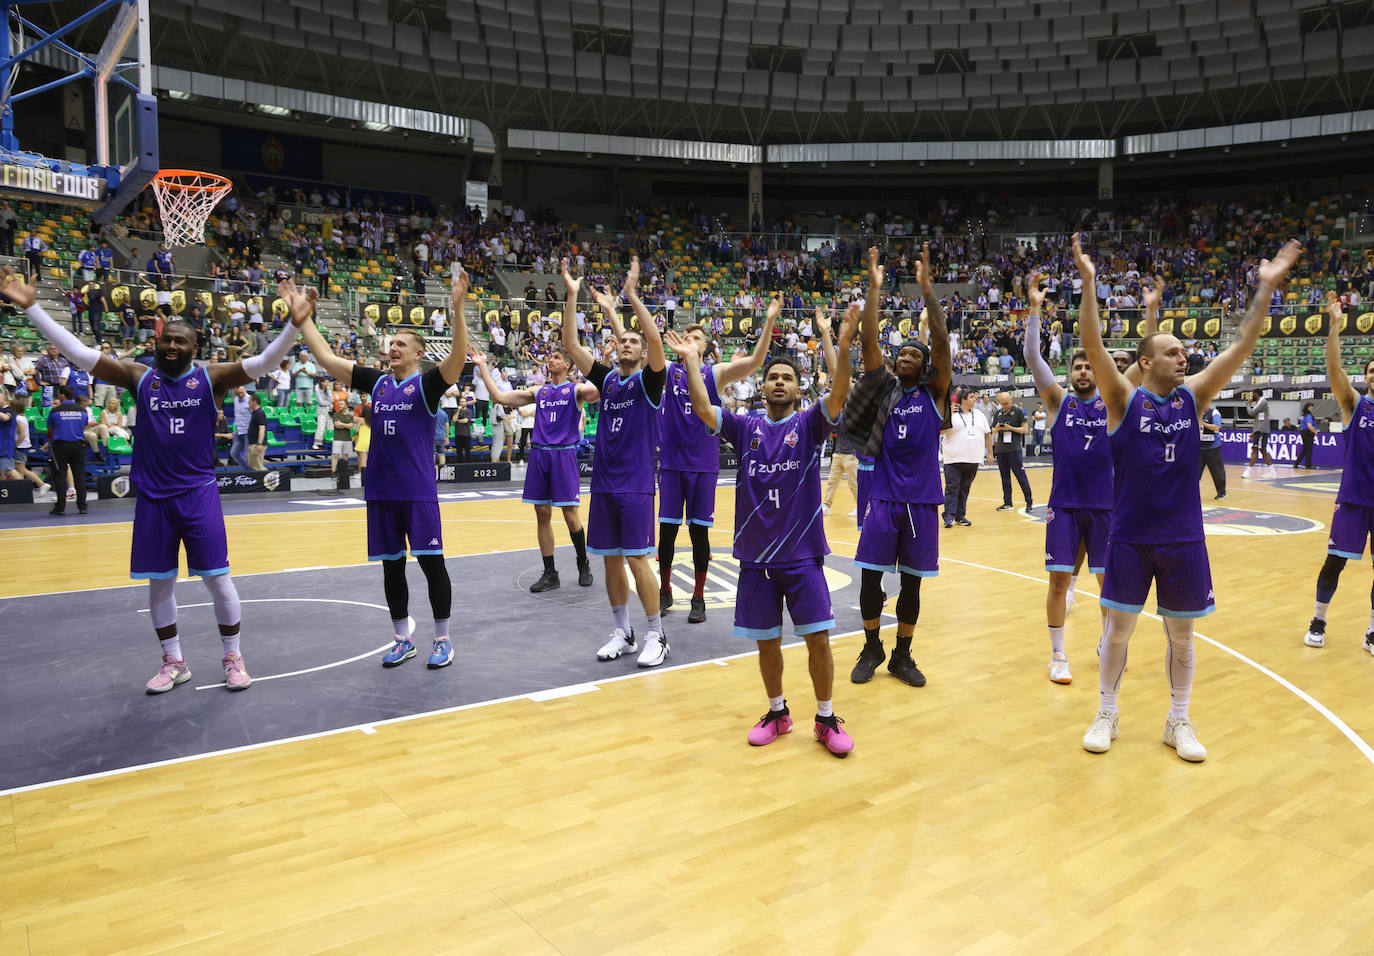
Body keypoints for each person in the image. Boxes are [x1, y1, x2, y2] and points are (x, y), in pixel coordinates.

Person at [2, 264, 310, 693]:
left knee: (217, 580)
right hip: (153, 498)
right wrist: (34, 309)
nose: (170, 345)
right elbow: (79, 354)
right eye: (165, 339)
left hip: (198, 493)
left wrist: (294, 328)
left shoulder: (212, 378)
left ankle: (232, 655)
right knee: (159, 584)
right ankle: (174, 661)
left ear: (194, 346)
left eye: (179, 341)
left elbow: (265, 362)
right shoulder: (138, 376)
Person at [1076, 234, 1301, 763]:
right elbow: (1091, 344)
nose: (1184, 356)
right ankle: (1106, 710)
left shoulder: (1193, 397)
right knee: (1119, 631)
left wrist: (1265, 290)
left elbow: (1241, 345)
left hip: (1182, 537)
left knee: (1182, 637)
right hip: (1129, 535)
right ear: (1147, 362)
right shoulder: (1121, 400)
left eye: (1184, 351)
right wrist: (1088, 283)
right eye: (1172, 352)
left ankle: (1178, 719)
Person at [668, 302, 860, 756]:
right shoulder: (745, 426)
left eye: (786, 377)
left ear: (798, 388)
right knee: (766, 643)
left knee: (818, 639)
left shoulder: (811, 424)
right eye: (772, 376)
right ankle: (778, 712)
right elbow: (701, 407)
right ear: (762, 386)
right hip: (755, 558)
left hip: (802, 554)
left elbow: (841, 390)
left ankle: (826, 717)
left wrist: (837, 340)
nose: (778, 381)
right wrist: (693, 362)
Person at [283, 266, 469, 670]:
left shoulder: (428, 384)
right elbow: (329, 360)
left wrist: (457, 309)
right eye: (391, 343)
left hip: (417, 491)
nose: (393, 347)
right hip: (381, 492)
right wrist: (303, 321)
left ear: (420, 353)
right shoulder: (380, 383)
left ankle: (443, 639)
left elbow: (456, 359)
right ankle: (403, 638)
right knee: (391, 568)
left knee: (432, 565)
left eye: (401, 344)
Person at [845, 243, 953, 688]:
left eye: (914, 355)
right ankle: (871, 645)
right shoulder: (885, 389)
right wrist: (874, 287)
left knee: (912, 585)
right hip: (885, 496)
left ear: (926, 367)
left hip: (923, 501)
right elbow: (869, 342)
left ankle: (902, 655)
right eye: (901, 354)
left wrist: (928, 291)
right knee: (871, 579)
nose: (904, 357)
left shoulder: (935, 393)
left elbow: (943, 344)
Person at [559, 256, 671, 668]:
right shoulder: (607, 380)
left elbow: (657, 343)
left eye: (633, 343)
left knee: (638, 559)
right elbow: (571, 346)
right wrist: (572, 295)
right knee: (610, 559)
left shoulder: (650, 382)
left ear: (643, 355)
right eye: (621, 341)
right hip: (604, 484)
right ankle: (623, 632)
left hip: (637, 484)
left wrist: (631, 296)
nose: (625, 344)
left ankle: (657, 634)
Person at [639, 286, 774, 625]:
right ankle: (666, 589)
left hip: (702, 466)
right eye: (685, 335)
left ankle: (698, 596)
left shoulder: (715, 374)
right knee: (666, 533)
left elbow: (756, 362)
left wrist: (769, 322)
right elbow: (649, 348)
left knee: (700, 534)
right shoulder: (668, 371)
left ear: (705, 346)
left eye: (696, 337)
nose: (689, 340)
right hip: (670, 464)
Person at [1024, 271, 1114, 686]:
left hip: (1105, 507)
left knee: (1108, 585)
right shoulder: (1059, 402)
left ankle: (1108, 644)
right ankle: (1057, 655)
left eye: (1087, 366)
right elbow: (1032, 358)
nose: (1082, 371)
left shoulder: (1115, 405)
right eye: (1076, 366)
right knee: (1060, 581)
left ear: (1097, 369)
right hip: (1064, 507)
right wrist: (1036, 310)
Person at [469, 345, 597, 592]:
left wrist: (605, 362)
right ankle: (550, 573)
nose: (552, 360)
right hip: (539, 455)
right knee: (542, 514)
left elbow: (601, 390)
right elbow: (500, 398)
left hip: (563, 455)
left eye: (558, 358)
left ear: (569, 366)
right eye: (551, 357)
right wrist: (483, 366)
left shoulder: (577, 390)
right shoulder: (539, 391)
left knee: (571, 516)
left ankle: (583, 562)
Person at [1303, 293, 1374, 651]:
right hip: (1353, 499)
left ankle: (1373, 630)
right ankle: (1318, 619)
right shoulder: (1355, 405)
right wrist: (1333, 326)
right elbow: (1334, 371)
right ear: (1365, 377)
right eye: (1371, 370)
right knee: (1335, 563)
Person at [941, 388, 991, 527]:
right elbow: (940, 430)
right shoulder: (951, 414)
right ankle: (949, 516)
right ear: (963, 400)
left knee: (965, 489)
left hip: (973, 458)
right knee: (952, 488)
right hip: (953, 459)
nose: (975, 399)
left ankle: (960, 515)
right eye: (972, 397)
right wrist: (947, 415)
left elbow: (987, 434)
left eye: (975, 397)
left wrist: (990, 453)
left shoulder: (980, 415)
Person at [44, 385, 88, 515]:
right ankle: (82, 507)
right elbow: (84, 426)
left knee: (60, 477)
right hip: (78, 445)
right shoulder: (83, 411)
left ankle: (60, 507)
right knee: (79, 476)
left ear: (62, 395)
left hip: (61, 446)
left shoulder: (55, 411)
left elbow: (50, 429)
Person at [991, 390, 1034, 514]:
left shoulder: (1018, 412)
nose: (1004, 405)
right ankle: (1007, 502)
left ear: (1011, 400)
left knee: (1021, 476)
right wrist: (997, 429)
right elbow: (993, 430)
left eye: (1006, 403)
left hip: (1014, 449)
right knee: (1005, 478)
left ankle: (1029, 501)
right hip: (1000, 450)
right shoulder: (998, 413)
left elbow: (1025, 430)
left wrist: (1011, 428)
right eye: (1002, 403)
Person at [1243, 389, 1277, 478]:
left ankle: (1248, 472)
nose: (1252, 397)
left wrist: (1247, 405)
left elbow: (1252, 413)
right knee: (1262, 450)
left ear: (1256, 394)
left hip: (1261, 430)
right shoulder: (1259, 401)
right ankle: (1272, 472)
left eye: (1253, 394)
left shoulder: (1262, 401)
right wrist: (1254, 432)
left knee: (1255, 450)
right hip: (1260, 430)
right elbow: (1258, 419)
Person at [1199, 402, 1226, 499]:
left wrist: (1202, 423)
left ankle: (1221, 493)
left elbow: (1216, 428)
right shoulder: (1196, 413)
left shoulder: (1214, 413)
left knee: (1217, 472)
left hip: (1213, 447)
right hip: (1199, 448)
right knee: (1194, 473)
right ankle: (1191, 494)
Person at [245, 393, 268, 471]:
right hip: (253, 443)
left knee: (258, 467)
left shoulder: (260, 413)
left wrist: (259, 444)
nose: (248, 403)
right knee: (253, 467)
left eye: (249, 401)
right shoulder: (255, 413)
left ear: (254, 402)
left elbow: (262, 428)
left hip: (257, 444)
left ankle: (271, 481)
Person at [1297, 401, 1318, 469]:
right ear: (1307, 407)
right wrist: (1315, 432)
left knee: (1305, 449)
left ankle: (1296, 463)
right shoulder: (1308, 415)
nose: (1312, 408)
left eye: (1312, 406)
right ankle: (1308, 465)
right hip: (1308, 433)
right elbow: (1309, 425)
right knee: (1309, 449)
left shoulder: (1304, 415)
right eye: (1310, 406)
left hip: (1304, 432)